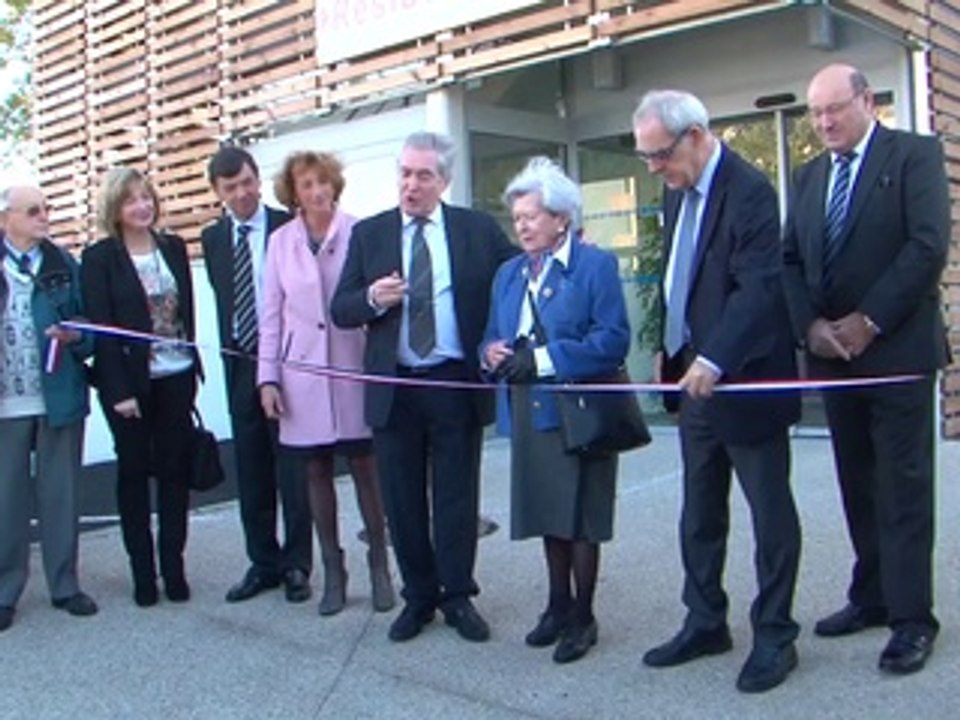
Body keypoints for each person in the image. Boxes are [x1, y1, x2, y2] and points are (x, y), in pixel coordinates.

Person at [782, 64, 950, 675]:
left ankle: (911, 619)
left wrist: (869, 320)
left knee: (902, 488)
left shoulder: (914, 156)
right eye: (816, 112)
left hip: (897, 356)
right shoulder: (807, 177)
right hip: (834, 359)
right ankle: (872, 594)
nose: (825, 122)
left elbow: (927, 246)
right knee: (857, 480)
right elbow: (790, 260)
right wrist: (812, 328)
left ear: (867, 101)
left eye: (835, 109)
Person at [634, 90, 802, 693]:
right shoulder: (675, 188)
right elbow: (677, 271)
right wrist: (668, 342)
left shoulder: (751, 191)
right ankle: (705, 620)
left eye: (660, 155)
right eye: (647, 157)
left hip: (747, 380)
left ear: (697, 135)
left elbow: (757, 290)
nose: (654, 167)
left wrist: (714, 356)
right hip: (693, 382)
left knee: (769, 512)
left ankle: (776, 634)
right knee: (700, 510)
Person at [331, 131, 516, 643]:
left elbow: (519, 273)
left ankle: (457, 596)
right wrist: (371, 297)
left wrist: (567, 243)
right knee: (402, 498)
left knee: (456, 497)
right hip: (395, 385)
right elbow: (340, 308)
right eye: (405, 173)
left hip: (453, 380)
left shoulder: (475, 230)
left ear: (445, 181)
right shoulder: (370, 234)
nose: (410, 185)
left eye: (423, 175)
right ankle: (419, 598)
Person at [481, 157, 630, 663]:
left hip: (580, 408)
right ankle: (557, 605)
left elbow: (612, 340)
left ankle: (584, 616)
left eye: (531, 216)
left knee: (582, 516)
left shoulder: (595, 266)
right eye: (517, 217)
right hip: (531, 410)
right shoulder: (508, 273)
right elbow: (489, 336)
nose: (521, 225)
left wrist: (542, 359)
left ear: (561, 218)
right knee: (549, 511)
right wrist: (492, 354)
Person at [258, 151, 395, 615]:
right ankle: (333, 571)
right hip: (302, 374)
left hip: (353, 364)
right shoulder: (279, 243)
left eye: (322, 182)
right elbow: (270, 317)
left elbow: (376, 298)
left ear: (335, 185)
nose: (317, 192)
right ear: (293, 194)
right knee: (314, 470)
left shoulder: (360, 230)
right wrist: (268, 379)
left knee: (365, 467)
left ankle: (380, 563)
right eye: (306, 185)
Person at [81, 168, 201, 607]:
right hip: (129, 386)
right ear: (115, 208)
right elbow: (103, 330)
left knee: (174, 472)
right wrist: (118, 390)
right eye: (131, 200)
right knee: (133, 475)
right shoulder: (98, 259)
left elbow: (186, 311)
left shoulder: (172, 247)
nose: (142, 206)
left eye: (146, 197)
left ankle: (174, 567)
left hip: (177, 375)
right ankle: (144, 574)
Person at [201, 146, 313, 604]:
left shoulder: (289, 226)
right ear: (218, 192)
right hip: (240, 362)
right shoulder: (211, 239)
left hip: (287, 361)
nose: (243, 193)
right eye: (232, 187)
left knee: (293, 466)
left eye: (248, 182)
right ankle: (262, 562)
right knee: (250, 468)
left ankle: (297, 565)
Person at [0, 184, 98, 632]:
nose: (45, 216)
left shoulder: (62, 264)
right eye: (34, 210)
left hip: (57, 397)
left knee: (61, 494)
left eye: (48, 208)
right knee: (8, 499)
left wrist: (76, 336)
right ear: (7, 220)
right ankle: (6, 591)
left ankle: (65, 585)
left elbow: (92, 328)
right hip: (7, 403)